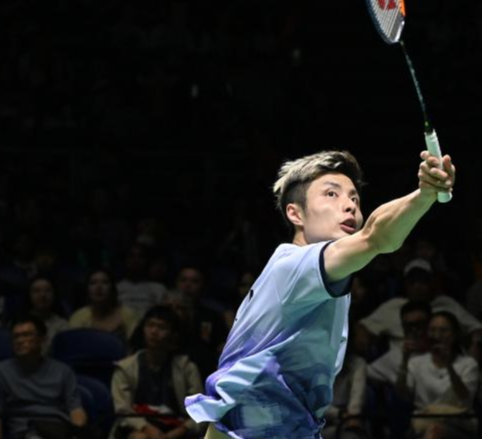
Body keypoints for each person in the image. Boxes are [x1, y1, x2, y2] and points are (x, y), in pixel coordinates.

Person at [184, 149, 456, 439]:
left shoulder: (322, 279)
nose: (349, 206)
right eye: (331, 194)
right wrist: (424, 194)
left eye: (354, 198)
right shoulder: (293, 266)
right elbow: (376, 237)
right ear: (295, 213)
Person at [0, 315, 90, 439]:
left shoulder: (63, 371)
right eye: (16, 336)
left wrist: (77, 434)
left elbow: (76, 409)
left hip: (60, 430)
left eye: (27, 335)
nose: (20, 340)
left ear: (42, 339)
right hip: (26, 432)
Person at [359, 259, 482, 360]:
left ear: (431, 283)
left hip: (443, 363)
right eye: (412, 282)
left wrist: (475, 345)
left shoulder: (446, 303)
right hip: (402, 363)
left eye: (422, 281)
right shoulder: (393, 306)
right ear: (406, 285)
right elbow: (364, 327)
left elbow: (476, 328)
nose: (417, 286)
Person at [111, 305, 205, 439]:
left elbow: (201, 411)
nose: (154, 331)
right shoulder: (125, 368)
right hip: (139, 429)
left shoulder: (187, 368)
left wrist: (175, 433)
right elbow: (123, 411)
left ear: (173, 335)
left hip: (178, 430)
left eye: (162, 327)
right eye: (150, 325)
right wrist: (149, 430)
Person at [397, 311, 479, 439]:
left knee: (435, 431)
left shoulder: (468, 364)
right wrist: (404, 360)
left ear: (454, 334)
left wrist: (449, 366)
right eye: (432, 330)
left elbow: (464, 398)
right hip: (422, 425)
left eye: (443, 330)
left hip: (457, 426)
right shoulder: (416, 362)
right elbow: (402, 395)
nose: (437, 335)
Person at [69, 268, 140, 349]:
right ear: (87, 289)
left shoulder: (128, 314)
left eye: (105, 282)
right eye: (93, 283)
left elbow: (135, 347)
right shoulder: (79, 316)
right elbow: (74, 348)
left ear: (112, 288)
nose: (98, 287)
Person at [117, 244, 167, 316]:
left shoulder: (159, 288)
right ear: (126, 261)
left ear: (146, 261)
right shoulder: (116, 288)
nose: (136, 260)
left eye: (140, 256)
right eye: (132, 256)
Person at [25, 275, 69, 354]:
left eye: (48, 290)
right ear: (29, 296)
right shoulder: (18, 324)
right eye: (36, 291)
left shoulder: (63, 326)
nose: (43, 295)